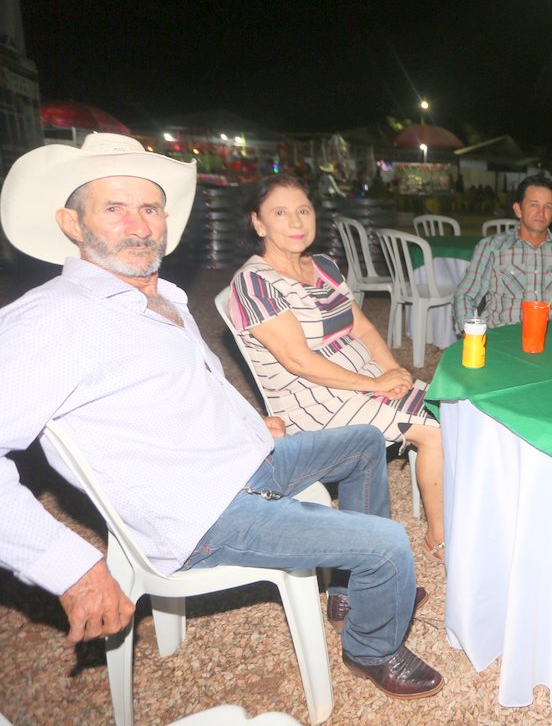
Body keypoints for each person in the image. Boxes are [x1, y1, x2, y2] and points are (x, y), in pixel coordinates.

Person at [0, 134, 443, 700]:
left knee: (361, 442)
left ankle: (350, 593)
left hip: (242, 460)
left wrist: (254, 424)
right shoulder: (52, 319)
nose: (138, 226)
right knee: (387, 542)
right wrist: (69, 566)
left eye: (150, 208)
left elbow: (197, 388)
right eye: (114, 209)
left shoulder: (160, 297)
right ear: (71, 222)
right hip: (200, 513)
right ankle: (372, 647)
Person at [226, 175, 447, 559]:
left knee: (452, 409)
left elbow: (362, 327)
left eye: (303, 210)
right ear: (258, 223)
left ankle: (451, 501)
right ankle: (438, 537)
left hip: (361, 382)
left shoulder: (324, 266)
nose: (296, 222)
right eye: (280, 213)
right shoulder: (253, 283)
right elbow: (298, 361)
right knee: (436, 432)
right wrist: (375, 383)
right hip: (314, 403)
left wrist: (395, 374)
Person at [452, 174, 552, 329]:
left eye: (548, 207)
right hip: (502, 336)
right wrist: (471, 333)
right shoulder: (493, 248)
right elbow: (465, 295)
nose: (541, 212)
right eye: (533, 205)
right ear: (518, 210)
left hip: (549, 338)